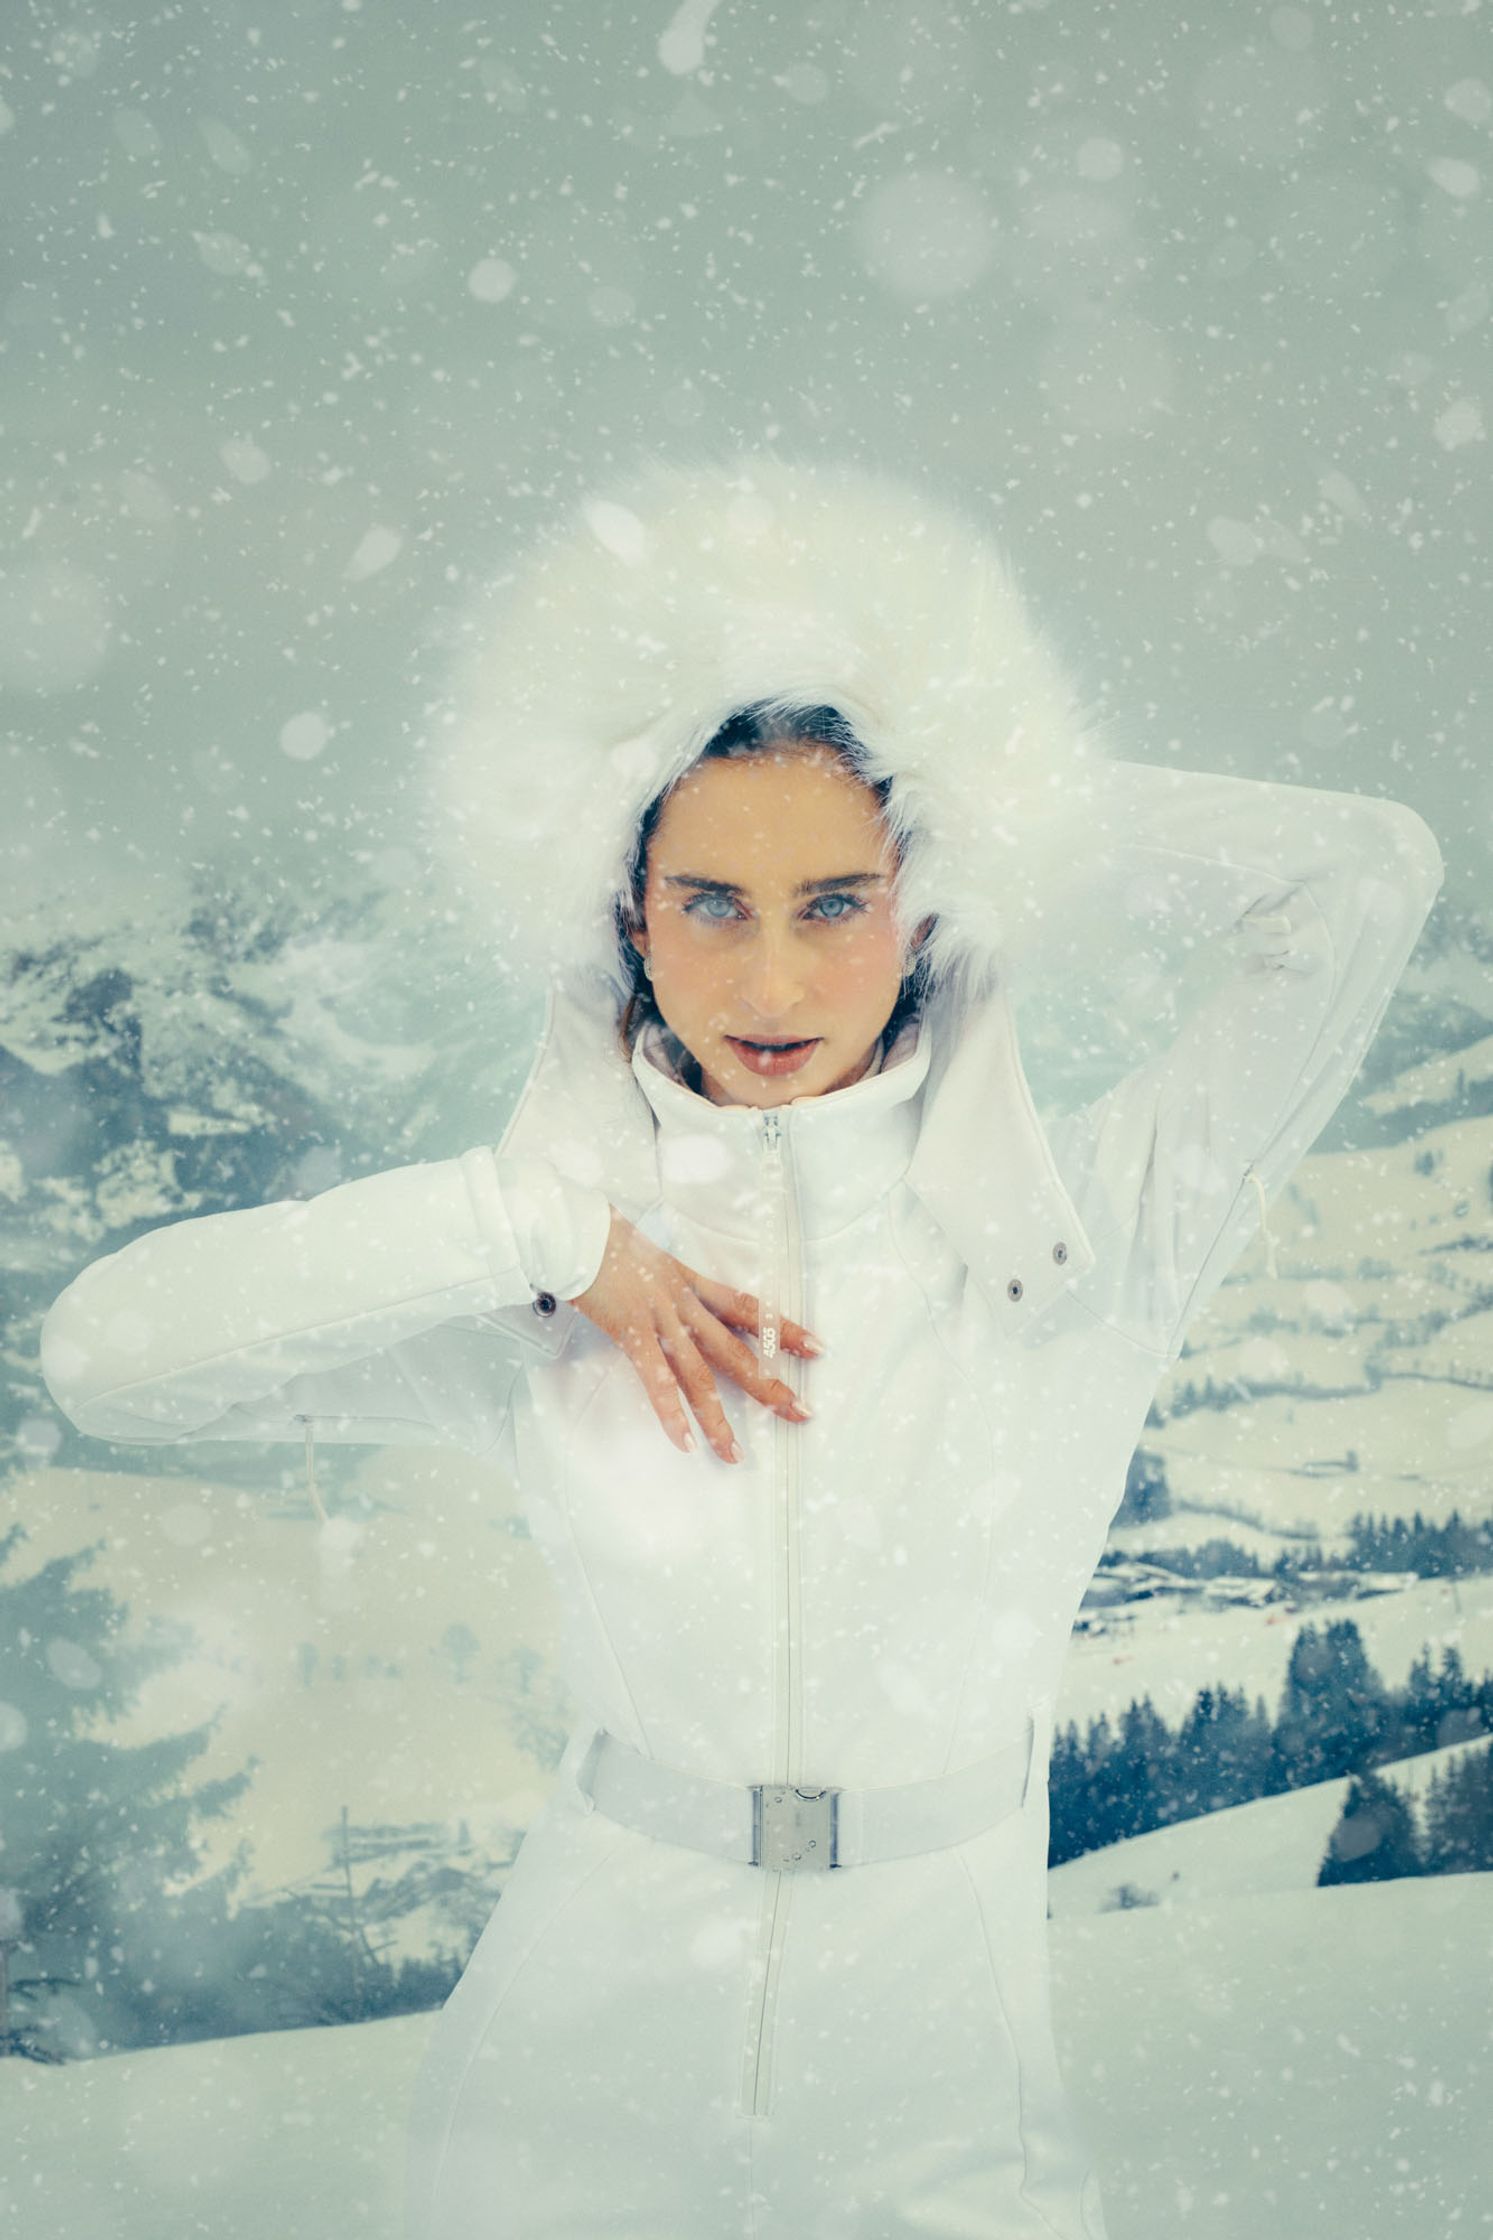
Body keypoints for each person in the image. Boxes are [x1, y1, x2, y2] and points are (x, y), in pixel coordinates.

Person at [39, 452, 1446, 2239]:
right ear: (623, 919)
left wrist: (987, 784)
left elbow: (1361, 876)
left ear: (925, 904)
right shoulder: (551, 1294)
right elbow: (110, 1356)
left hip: (948, 2104)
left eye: (834, 900)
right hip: (567, 2087)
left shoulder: (1084, 1238)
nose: (770, 985)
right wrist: (538, 1231)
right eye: (708, 901)